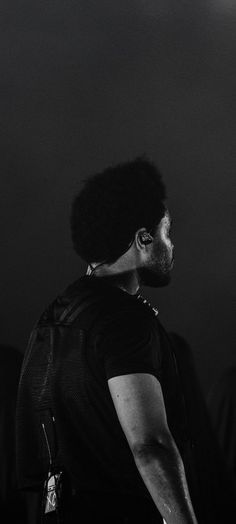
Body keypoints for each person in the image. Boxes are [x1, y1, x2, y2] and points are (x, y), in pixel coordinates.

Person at [16, 156, 231, 524]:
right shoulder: (125, 321)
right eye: (167, 232)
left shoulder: (50, 320)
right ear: (143, 239)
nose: (172, 246)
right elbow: (150, 445)